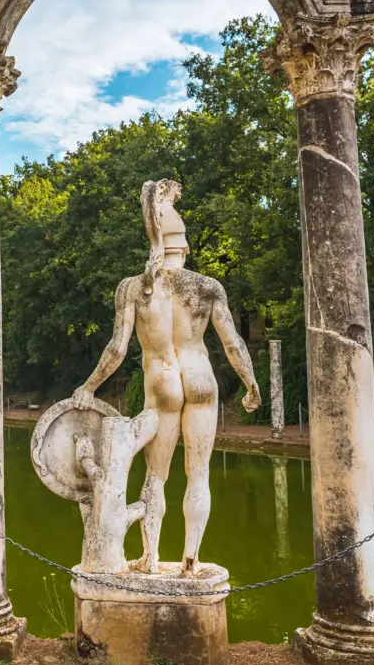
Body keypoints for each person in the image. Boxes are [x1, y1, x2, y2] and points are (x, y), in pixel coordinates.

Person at [73, 179, 261, 576]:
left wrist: (88, 387)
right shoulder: (207, 287)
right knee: (200, 472)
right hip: (201, 379)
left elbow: (116, 350)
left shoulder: (134, 288)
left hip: (162, 381)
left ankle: (152, 559)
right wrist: (250, 382)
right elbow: (233, 344)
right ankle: (191, 560)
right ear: (186, 245)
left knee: (156, 475)